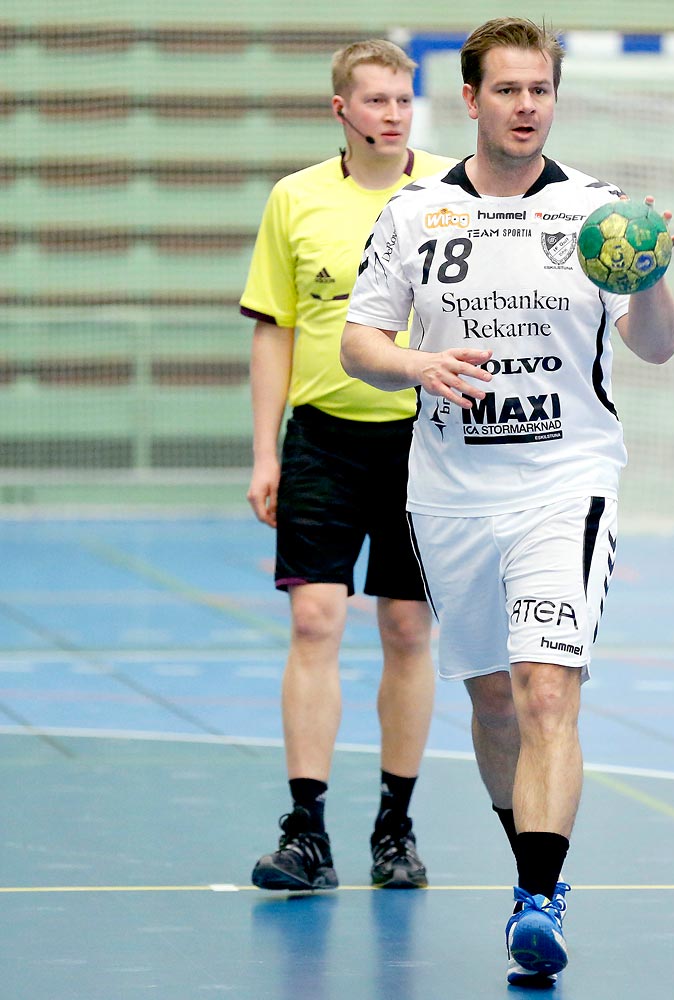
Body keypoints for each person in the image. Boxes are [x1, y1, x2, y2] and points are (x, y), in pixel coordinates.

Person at [340, 17, 674, 983]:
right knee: (493, 701)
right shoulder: (414, 215)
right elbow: (358, 343)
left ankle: (539, 896)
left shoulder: (599, 213)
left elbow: (656, 347)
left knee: (546, 688)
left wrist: (652, 279)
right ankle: (527, 855)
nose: (527, 107)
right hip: (449, 491)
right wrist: (418, 364)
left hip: (564, 482)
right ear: (473, 99)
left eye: (541, 91)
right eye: (509, 91)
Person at [239, 39, 453, 892]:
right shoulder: (295, 199)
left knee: (406, 629)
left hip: (427, 444)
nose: (393, 113)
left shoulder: (450, 194)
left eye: (403, 98)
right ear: (342, 110)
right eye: (375, 100)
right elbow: (274, 327)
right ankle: (306, 829)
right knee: (315, 621)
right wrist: (266, 451)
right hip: (323, 437)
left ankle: (394, 830)